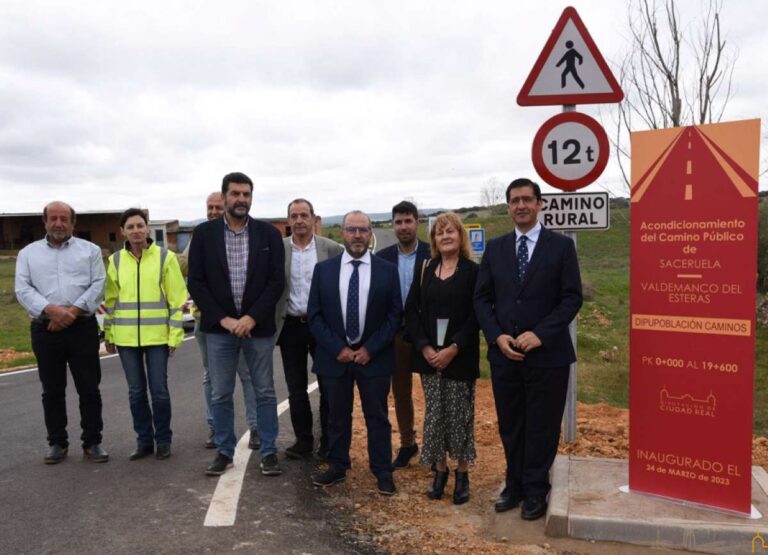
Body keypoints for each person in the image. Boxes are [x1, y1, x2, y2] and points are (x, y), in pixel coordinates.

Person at [474, 178, 583, 520]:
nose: (520, 205)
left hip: (548, 356)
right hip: (506, 356)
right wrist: (496, 336)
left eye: (527, 199)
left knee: (542, 425)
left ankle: (537, 490)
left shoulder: (561, 247)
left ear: (539, 204)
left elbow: (571, 298)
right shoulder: (495, 248)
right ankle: (515, 484)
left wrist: (542, 333)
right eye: (514, 201)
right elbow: (482, 297)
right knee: (512, 424)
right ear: (508, 207)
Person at [188, 172, 285, 477]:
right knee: (220, 392)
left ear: (251, 197)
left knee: (265, 391)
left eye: (246, 194)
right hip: (220, 330)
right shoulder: (204, 234)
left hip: (258, 328)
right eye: (235, 194)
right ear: (225, 196)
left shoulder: (268, 235)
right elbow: (197, 283)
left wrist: (250, 317)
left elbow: (275, 282)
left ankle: (269, 451)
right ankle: (224, 450)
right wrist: (226, 320)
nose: (241, 199)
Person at [307, 211, 401, 495]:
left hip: (374, 358)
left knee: (378, 417)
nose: (357, 235)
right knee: (336, 416)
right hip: (335, 359)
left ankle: (383, 471)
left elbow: (394, 315)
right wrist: (339, 348)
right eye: (352, 229)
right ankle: (337, 465)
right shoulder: (324, 270)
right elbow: (315, 315)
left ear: (370, 233)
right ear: (342, 233)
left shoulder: (386, 269)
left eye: (363, 230)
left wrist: (369, 349)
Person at [15, 201, 109, 464]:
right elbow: (23, 289)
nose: (58, 223)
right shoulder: (28, 254)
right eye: (53, 218)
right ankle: (57, 443)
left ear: (73, 223)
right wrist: (53, 311)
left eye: (63, 219)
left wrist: (72, 313)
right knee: (52, 390)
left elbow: (98, 285)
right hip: (45, 329)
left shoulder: (90, 251)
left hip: (82, 328)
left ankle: (93, 442)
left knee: (89, 388)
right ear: (45, 222)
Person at [405, 212, 480, 504]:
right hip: (429, 356)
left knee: (460, 416)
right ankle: (439, 471)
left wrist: (454, 348)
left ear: (460, 236)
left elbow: (477, 316)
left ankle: (462, 473)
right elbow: (411, 311)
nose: (445, 236)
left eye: (451, 231)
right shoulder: (425, 268)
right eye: (440, 232)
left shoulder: (473, 272)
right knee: (434, 415)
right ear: (434, 239)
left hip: (459, 356)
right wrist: (424, 347)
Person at [178, 191, 261, 451]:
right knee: (212, 378)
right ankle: (216, 428)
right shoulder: (202, 235)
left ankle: (256, 428)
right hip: (209, 323)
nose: (213, 211)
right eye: (209, 207)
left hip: (245, 321)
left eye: (217, 207)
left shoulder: (248, 233)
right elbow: (185, 268)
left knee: (249, 375)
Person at [104, 208, 187, 460]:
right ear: (123, 232)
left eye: (140, 225)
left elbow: (177, 300)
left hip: (157, 338)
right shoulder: (116, 261)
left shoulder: (166, 258)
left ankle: (163, 440)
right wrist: (108, 334)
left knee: (159, 391)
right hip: (126, 339)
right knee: (136, 392)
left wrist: (174, 336)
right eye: (130, 227)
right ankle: (143, 442)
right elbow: (111, 301)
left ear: (147, 228)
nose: (136, 230)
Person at [275, 198, 343, 460]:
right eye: (294, 216)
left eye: (304, 215)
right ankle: (303, 440)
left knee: (328, 385)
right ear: (289, 221)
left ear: (314, 219)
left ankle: (328, 441)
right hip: (290, 325)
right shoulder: (279, 250)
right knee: (295, 388)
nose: (300, 220)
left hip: (322, 327)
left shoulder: (331, 249)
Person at [375, 200, 431, 468]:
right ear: (392, 225)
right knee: (401, 392)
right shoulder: (382, 258)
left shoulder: (433, 255)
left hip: (430, 336)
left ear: (417, 222)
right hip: (397, 336)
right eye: (398, 222)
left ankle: (435, 448)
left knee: (434, 392)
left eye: (408, 221)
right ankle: (408, 443)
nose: (404, 226)